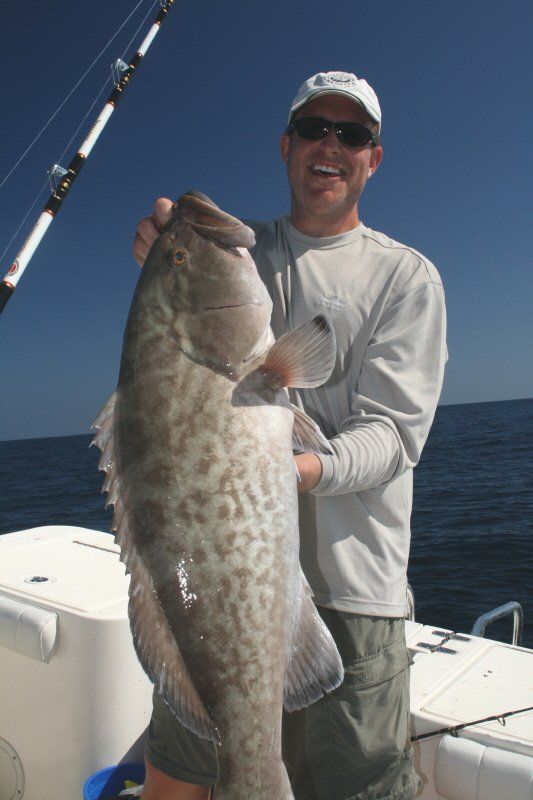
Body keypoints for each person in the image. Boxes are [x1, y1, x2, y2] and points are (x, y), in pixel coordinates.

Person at [133, 71, 447, 800]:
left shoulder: (406, 278)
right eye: (313, 128)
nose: (330, 145)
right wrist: (167, 252)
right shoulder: (238, 251)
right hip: (208, 591)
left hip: (350, 590)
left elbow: (393, 437)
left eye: (352, 134)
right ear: (286, 145)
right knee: (173, 779)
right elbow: (165, 385)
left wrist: (299, 469)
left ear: (373, 158)